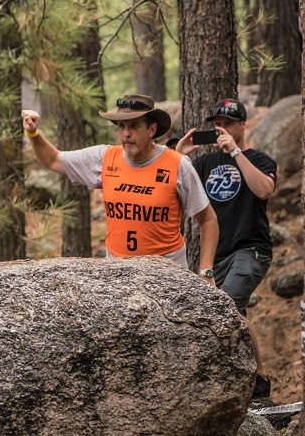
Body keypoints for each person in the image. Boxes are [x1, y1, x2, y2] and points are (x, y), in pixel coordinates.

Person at [21, 94, 218, 275]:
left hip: (167, 274)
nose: (126, 134)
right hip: (118, 275)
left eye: (134, 126)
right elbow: (54, 159)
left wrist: (206, 271)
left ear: (151, 129)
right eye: (121, 127)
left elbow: (208, 220)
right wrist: (33, 133)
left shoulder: (178, 165)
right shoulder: (105, 158)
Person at [176, 97, 277, 399]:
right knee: (229, 312)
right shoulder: (204, 163)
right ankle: (245, 383)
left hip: (251, 249)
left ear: (243, 125)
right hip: (215, 255)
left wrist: (235, 151)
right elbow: (173, 187)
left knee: (228, 304)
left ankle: (259, 380)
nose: (222, 129)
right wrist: (177, 156)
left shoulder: (260, 160)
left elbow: (263, 189)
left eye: (229, 124)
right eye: (218, 125)